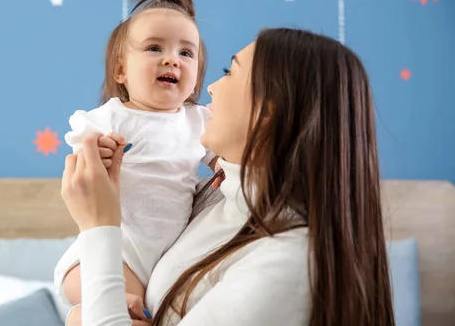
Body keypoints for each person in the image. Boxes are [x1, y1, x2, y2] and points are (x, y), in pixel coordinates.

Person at [57, 26, 397, 325]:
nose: (212, 89)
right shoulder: (216, 198)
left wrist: (99, 225)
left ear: (269, 111)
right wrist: (83, 314)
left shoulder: (289, 265)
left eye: (229, 72)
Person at [54, 0, 220, 322]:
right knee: (121, 302)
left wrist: (222, 164)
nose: (171, 60)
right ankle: (87, 312)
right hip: (117, 247)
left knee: (144, 311)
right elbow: (82, 145)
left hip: (164, 256)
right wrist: (97, 151)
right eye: (154, 48)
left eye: (186, 53)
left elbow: (227, 154)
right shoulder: (115, 116)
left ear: (197, 76)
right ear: (121, 70)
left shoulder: (197, 121)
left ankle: (82, 317)